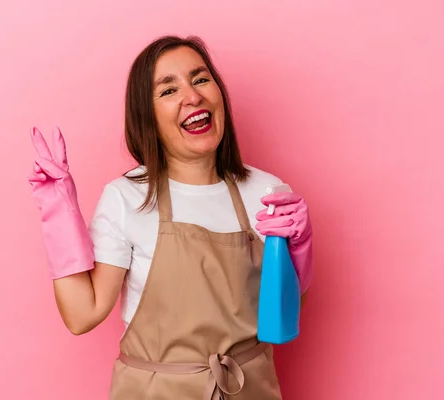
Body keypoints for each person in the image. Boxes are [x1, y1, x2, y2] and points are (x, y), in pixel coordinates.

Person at [28, 35, 313, 400]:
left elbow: (288, 312)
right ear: (148, 118)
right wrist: (58, 215)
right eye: (167, 90)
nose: (192, 96)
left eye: (200, 79)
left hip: (250, 388)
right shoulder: (127, 197)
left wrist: (301, 249)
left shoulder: (267, 192)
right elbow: (83, 314)